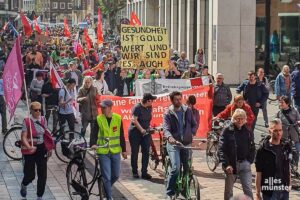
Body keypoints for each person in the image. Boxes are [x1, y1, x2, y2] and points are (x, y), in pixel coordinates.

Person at [90, 99, 127, 200]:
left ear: (110, 108)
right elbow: (93, 133)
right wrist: (93, 144)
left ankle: (105, 188)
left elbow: (121, 136)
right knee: (106, 176)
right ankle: (109, 197)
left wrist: (124, 150)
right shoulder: (99, 119)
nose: (102, 109)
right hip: (103, 152)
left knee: (115, 175)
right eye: (101, 107)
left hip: (115, 151)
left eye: (104, 107)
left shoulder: (118, 118)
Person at [163, 91, 197, 199]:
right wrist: (170, 138)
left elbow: (194, 124)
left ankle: (183, 188)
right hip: (174, 144)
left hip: (186, 143)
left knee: (187, 167)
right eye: (176, 99)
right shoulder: (168, 113)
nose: (179, 101)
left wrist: (191, 132)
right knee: (176, 168)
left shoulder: (188, 110)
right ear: (172, 100)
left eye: (180, 99)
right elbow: (166, 129)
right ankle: (169, 192)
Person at [20, 102, 54, 200]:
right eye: (35, 110)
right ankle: (24, 184)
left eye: (40, 110)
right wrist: (29, 147)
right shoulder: (26, 121)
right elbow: (23, 137)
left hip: (41, 148)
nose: (38, 112)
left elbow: (46, 134)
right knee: (30, 175)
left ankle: (39, 196)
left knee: (42, 174)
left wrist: (49, 148)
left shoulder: (43, 119)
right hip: (30, 150)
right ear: (31, 110)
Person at [219, 109, 255, 200]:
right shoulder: (227, 130)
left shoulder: (247, 130)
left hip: (245, 164)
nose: (240, 121)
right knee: (229, 191)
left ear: (245, 119)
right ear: (233, 119)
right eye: (238, 118)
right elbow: (221, 149)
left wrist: (249, 160)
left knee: (248, 190)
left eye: (242, 118)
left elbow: (252, 147)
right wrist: (226, 165)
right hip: (231, 166)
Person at [255, 118, 291, 200]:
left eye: (280, 130)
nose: (279, 133)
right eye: (275, 130)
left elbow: (287, 166)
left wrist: (289, 184)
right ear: (270, 131)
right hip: (269, 189)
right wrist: (257, 193)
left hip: (284, 189)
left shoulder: (286, 146)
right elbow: (258, 173)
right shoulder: (262, 150)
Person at [128, 93, 157, 179]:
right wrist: (141, 130)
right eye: (151, 100)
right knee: (135, 152)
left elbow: (147, 120)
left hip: (146, 133)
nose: (152, 102)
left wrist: (149, 128)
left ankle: (144, 172)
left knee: (146, 152)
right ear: (148, 100)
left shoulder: (149, 107)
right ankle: (135, 172)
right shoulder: (137, 107)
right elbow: (134, 120)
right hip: (135, 133)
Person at [276, 96, 300, 165]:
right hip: (283, 138)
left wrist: (298, 122)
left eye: (282, 102)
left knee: (296, 152)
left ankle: (294, 166)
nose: (280, 104)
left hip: (294, 137)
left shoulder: (294, 111)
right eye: (280, 102)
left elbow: (299, 119)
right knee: (284, 153)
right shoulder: (279, 112)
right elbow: (275, 122)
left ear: (287, 103)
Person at [77, 76, 98, 142]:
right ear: (84, 82)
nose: (87, 84)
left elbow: (98, 97)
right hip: (85, 114)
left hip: (94, 114)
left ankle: (92, 143)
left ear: (91, 82)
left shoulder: (95, 89)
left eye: (88, 82)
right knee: (83, 129)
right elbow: (77, 99)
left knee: (93, 130)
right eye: (86, 82)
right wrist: (82, 98)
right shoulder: (81, 89)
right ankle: (81, 141)